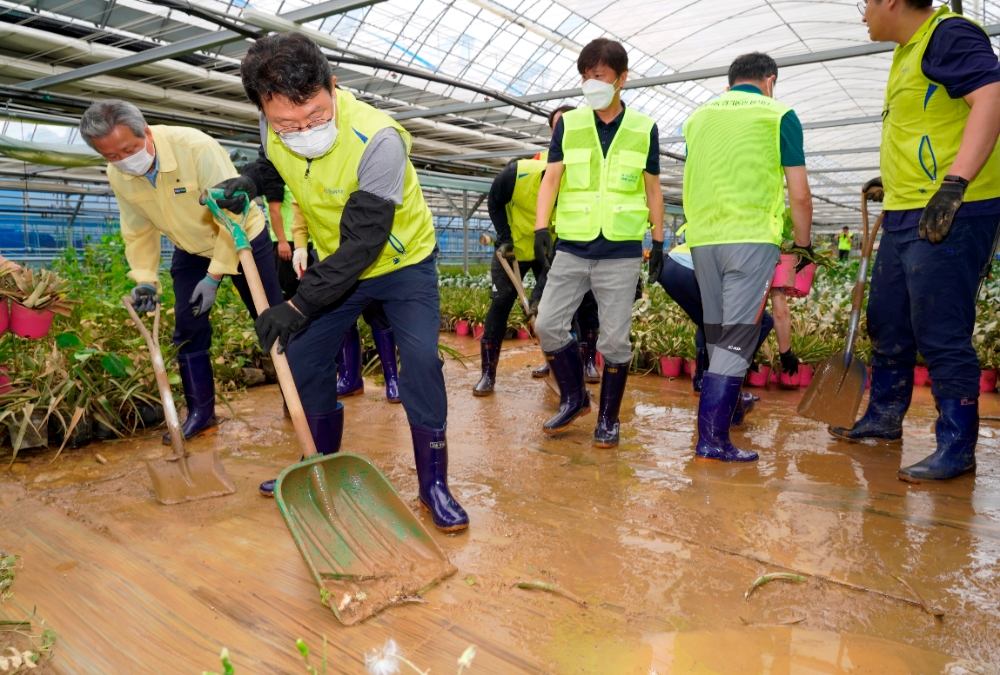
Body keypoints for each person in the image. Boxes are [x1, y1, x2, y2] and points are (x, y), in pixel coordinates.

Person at [230, 33, 467, 531]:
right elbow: (279, 170)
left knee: (421, 360)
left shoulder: (378, 139)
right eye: (286, 122)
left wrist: (296, 307)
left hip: (401, 264)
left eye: (315, 115)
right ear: (264, 110)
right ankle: (319, 464)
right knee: (301, 357)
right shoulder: (273, 128)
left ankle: (434, 485)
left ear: (332, 87)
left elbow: (364, 243)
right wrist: (249, 182)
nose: (302, 129)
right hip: (337, 261)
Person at [832, 0, 1000, 482]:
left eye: (867, 2)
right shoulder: (906, 50)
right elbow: (927, 128)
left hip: (955, 210)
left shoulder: (949, 34)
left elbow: (990, 98)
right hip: (906, 208)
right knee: (889, 322)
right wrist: (893, 182)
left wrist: (954, 184)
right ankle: (884, 418)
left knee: (940, 328)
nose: (862, 11)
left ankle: (957, 444)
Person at [79, 99, 284, 444]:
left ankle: (300, 401)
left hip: (242, 237)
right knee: (188, 327)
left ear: (146, 132)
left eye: (128, 149)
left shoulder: (196, 148)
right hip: (190, 248)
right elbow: (137, 228)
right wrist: (145, 278)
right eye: (110, 156)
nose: (123, 160)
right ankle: (202, 415)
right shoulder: (120, 175)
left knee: (272, 319)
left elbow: (230, 214)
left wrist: (214, 276)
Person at [533, 38, 664, 448]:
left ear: (622, 79)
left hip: (620, 251)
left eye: (600, 76)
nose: (591, 83)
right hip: (573, 245)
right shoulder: (570, 125)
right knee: (548, 325)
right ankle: (575, 397)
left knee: (613, 340)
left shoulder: (644, 128)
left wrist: (658, 241)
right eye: (586, 77)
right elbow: (551, 178)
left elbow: (654, 189)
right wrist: (541, 229)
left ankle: (609, 419)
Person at [683, 52, 813, 463]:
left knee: (719, 333)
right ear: (770, 80)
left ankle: (717, 428)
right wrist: (804, 246)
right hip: (751, 238)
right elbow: (800, 192)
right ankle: (713, 440)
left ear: (730, 82)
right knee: (738, 339)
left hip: (703, 239)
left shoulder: (698, 118)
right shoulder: (779, 114)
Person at [476, 105, 601, 394]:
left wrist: (538, 295)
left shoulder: (576, 187)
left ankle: (564, 367)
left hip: (551, 251)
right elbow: (494, 202)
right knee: (501, 303)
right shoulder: (517, 173)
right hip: (514, 250)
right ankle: (487, 374)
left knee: (560, 310)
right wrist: (504, 237)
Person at [266, 185, 401, 403]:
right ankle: (350, 378)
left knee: (377, 314)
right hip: (330, 258)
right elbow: (299, 209)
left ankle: (392, 378)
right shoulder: (304, 170)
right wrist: (300, 246)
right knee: (340, 315)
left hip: (365, 254)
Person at [657, 223, 774, 411]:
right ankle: (721, 382)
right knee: (765, 321)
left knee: (707, 322)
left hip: (670, 265)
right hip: (693, 270)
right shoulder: (760, 241)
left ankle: (702, 382)